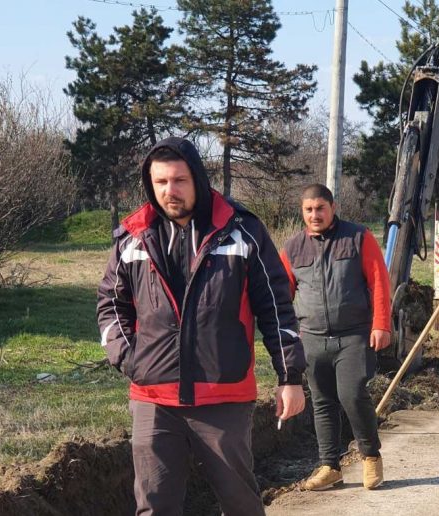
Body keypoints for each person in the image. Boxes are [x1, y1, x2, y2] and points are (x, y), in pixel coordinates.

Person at [96, 137, 305, 516]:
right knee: (155, 506)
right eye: (160, 182)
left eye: (179, 180)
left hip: (223, 395)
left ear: (198, 179)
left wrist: (290, 377)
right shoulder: (132, 237)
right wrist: (130, 359)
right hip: (154, 398)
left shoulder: (242, 231)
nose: (169, 191)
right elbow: (111, 305)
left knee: (239, 503)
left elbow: (276, 309)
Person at [279, 184, 391, 491]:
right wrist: (286, 337)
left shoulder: (359, 237)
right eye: (309, 210)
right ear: (302, 212)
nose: (315, 215)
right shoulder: (292, 248)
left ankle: (370, 456)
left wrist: (381, 324)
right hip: (312, 338)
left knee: (352, 394)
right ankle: (330, 466)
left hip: (353, 335)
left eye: (320, 208)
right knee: (322, 402)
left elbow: (380, 281)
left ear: (333, 207)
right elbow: (281, 296)